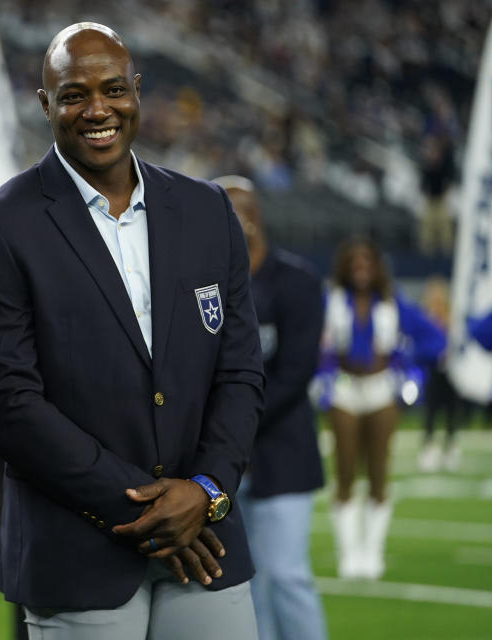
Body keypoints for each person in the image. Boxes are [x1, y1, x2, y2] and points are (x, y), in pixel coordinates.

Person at [0, 23, 264, 640]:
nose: (98, 109)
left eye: (114, 89)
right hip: (78, 555)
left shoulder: (207, 210)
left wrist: (204, 492)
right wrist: (155, 511)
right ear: (45, 104)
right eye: (74, 94)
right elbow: (7, 406)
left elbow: (240, 372)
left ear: (138, 92)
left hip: (206, 548)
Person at [214, 176, 327, 640]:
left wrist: (233, 420)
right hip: (224, 458)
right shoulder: (205, 282)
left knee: (286, 573)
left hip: (280, 450)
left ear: (254, 218)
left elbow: (296, 372)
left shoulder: (297, 281)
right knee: (244, 580)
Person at [321, 237, 443, 580]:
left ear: (377, 268)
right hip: (344, 386)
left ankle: (372, 552)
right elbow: (309, 341)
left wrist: (408, 364)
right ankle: (348, 552)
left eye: (367, 262)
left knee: (378, 472)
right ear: (344, 267)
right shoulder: (330, 301)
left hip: (381, 387)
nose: (361, 268)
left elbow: (434, 338)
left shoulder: (393, 303)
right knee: (344, 470)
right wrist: (321, 371)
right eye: (354, 262)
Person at [417, 276, 463, 472]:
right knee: (431, 411)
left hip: (452, 372)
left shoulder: (453, 318)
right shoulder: (425, 318)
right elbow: (419, 346)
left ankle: (450, 447)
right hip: (433, 370)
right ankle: (428, 447)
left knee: (452, 410)